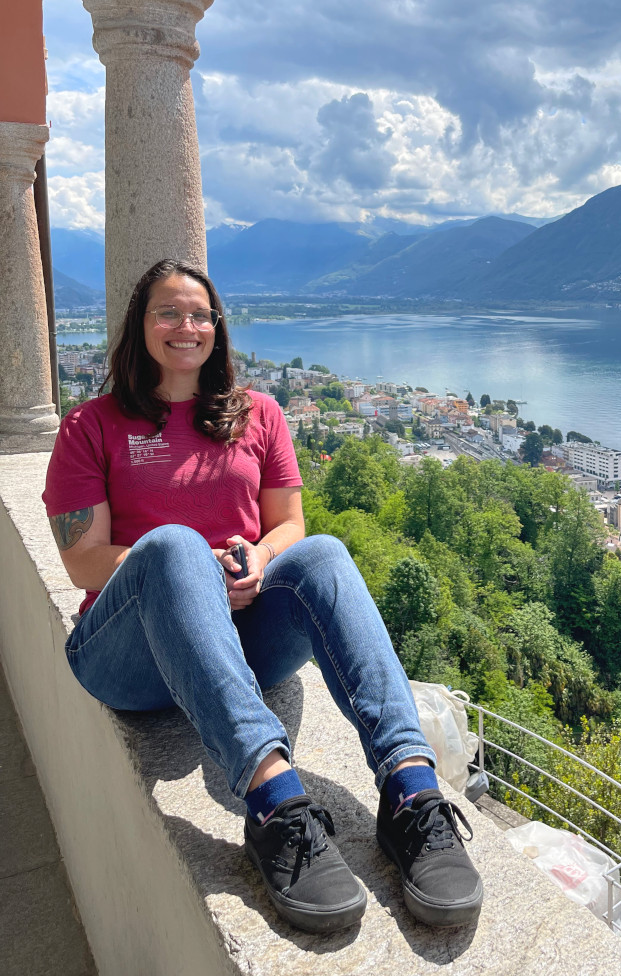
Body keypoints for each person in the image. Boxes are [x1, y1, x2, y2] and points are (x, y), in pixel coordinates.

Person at [43, 258, 482, 933]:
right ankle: (275, 803)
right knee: (176, 546)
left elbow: (289, 526)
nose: (186, 326)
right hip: (128, 658)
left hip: (241, 636)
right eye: (168, 312)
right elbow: (81, 562)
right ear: (140, 325)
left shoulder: (259, 415)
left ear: (217, 327)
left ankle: (410, 792)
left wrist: (256, 558)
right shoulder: (91, 426)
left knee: (324, 553)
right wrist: (193, 569)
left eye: (200, 314)